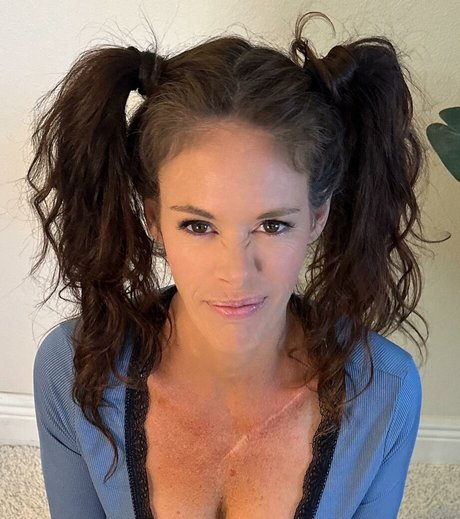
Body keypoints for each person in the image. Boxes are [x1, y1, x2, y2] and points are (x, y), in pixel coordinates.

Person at [28, 10, 436, 519]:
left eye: (273, 225)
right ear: (154, 219)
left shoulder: (385, 388)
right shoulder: (75, 365)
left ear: (318, 216)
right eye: (198, 226)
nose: (236, 274)